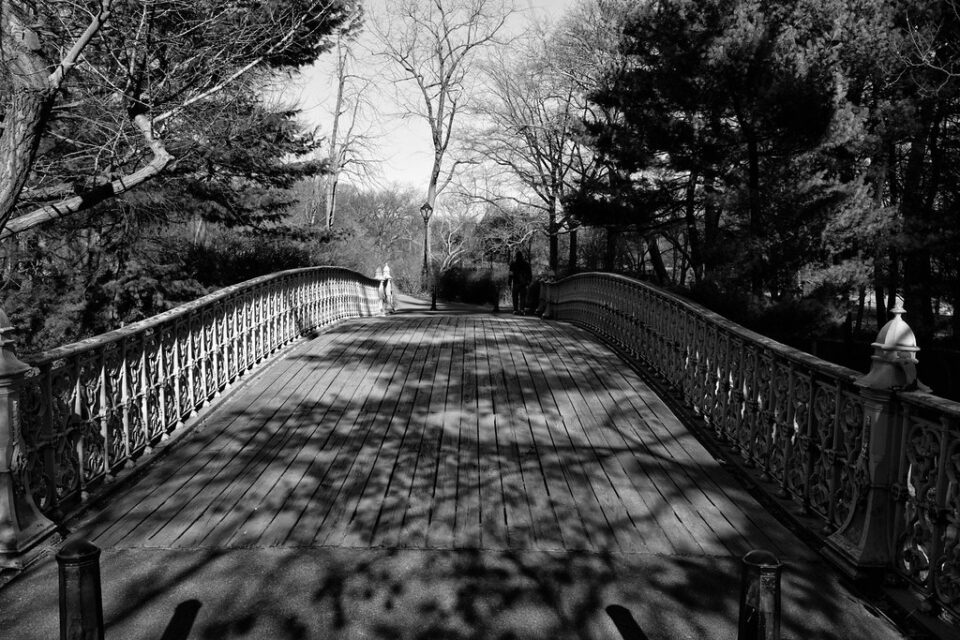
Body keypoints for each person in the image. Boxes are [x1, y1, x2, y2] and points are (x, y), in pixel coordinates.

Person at [508, 251, 532, 315]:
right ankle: (522, 309)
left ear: (516, 256)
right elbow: (529, 274)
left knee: (515, 297)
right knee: (523, 297)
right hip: (523, 284)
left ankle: (515, 309)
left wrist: (509, 282)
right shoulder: (526, 264)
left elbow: (511, 274)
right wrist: (529, 281)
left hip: (516, 282)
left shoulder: (513, 264)